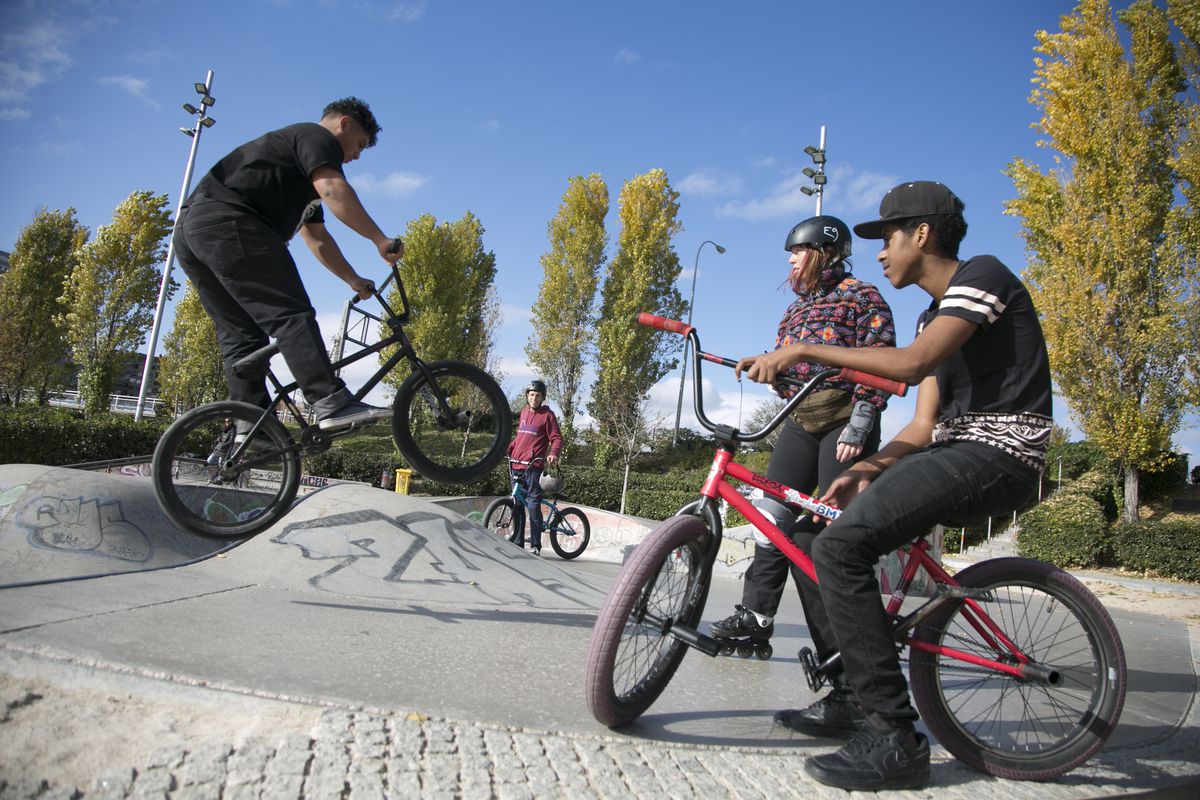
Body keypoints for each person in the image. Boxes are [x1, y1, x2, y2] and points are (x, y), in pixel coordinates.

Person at [735, 181, 1053, 791]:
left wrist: (806, 348)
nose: (880, 252)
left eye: (888, 238)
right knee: (808, 536)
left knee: (840, 548)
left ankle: (895, 738)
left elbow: (908, 366)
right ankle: (851, 696)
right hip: (955, 446)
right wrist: (866, 468)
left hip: (1001, 454)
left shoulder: (983, 275)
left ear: (923, 234)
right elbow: (923, 424)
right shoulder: (936, 313)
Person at [708, 215, 896, 657]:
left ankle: (844, 641)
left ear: (824, 253)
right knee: (772, 515)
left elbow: (880, 357)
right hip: (800, 419)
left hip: (844, 418)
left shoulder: (862, 297)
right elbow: (790, 363)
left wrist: (862, 420)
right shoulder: (795, 309)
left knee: (828, 530)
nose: (791, 261)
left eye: (798, 252)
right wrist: (772, 373)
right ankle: (755, 618)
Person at [174, 97, 400, 445]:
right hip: (231, 221)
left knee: (242, 337)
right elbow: (333, 188)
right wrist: (379, 239)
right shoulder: (315, 138)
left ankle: (251, 428)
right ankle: (330, 401)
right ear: (344, 124)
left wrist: (353, 279)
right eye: (359, 146)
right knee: (291, 313)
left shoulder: (296, 173)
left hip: (193, 233)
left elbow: (318, 239)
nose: (356, 156)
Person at [506, 380, 562, 555]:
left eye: (538, 395)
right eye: (531, 394)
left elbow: (557, 438)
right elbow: (520, 437)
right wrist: (508, 448)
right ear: (527, 396)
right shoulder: (523, 412)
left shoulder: (548, 415)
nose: (534, 398)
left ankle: (536, 545)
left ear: (543, 397)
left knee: (532, 505)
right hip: (516, 463)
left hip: (534, 466)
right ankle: (517, 541)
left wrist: (554, 453)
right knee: (516, 504)